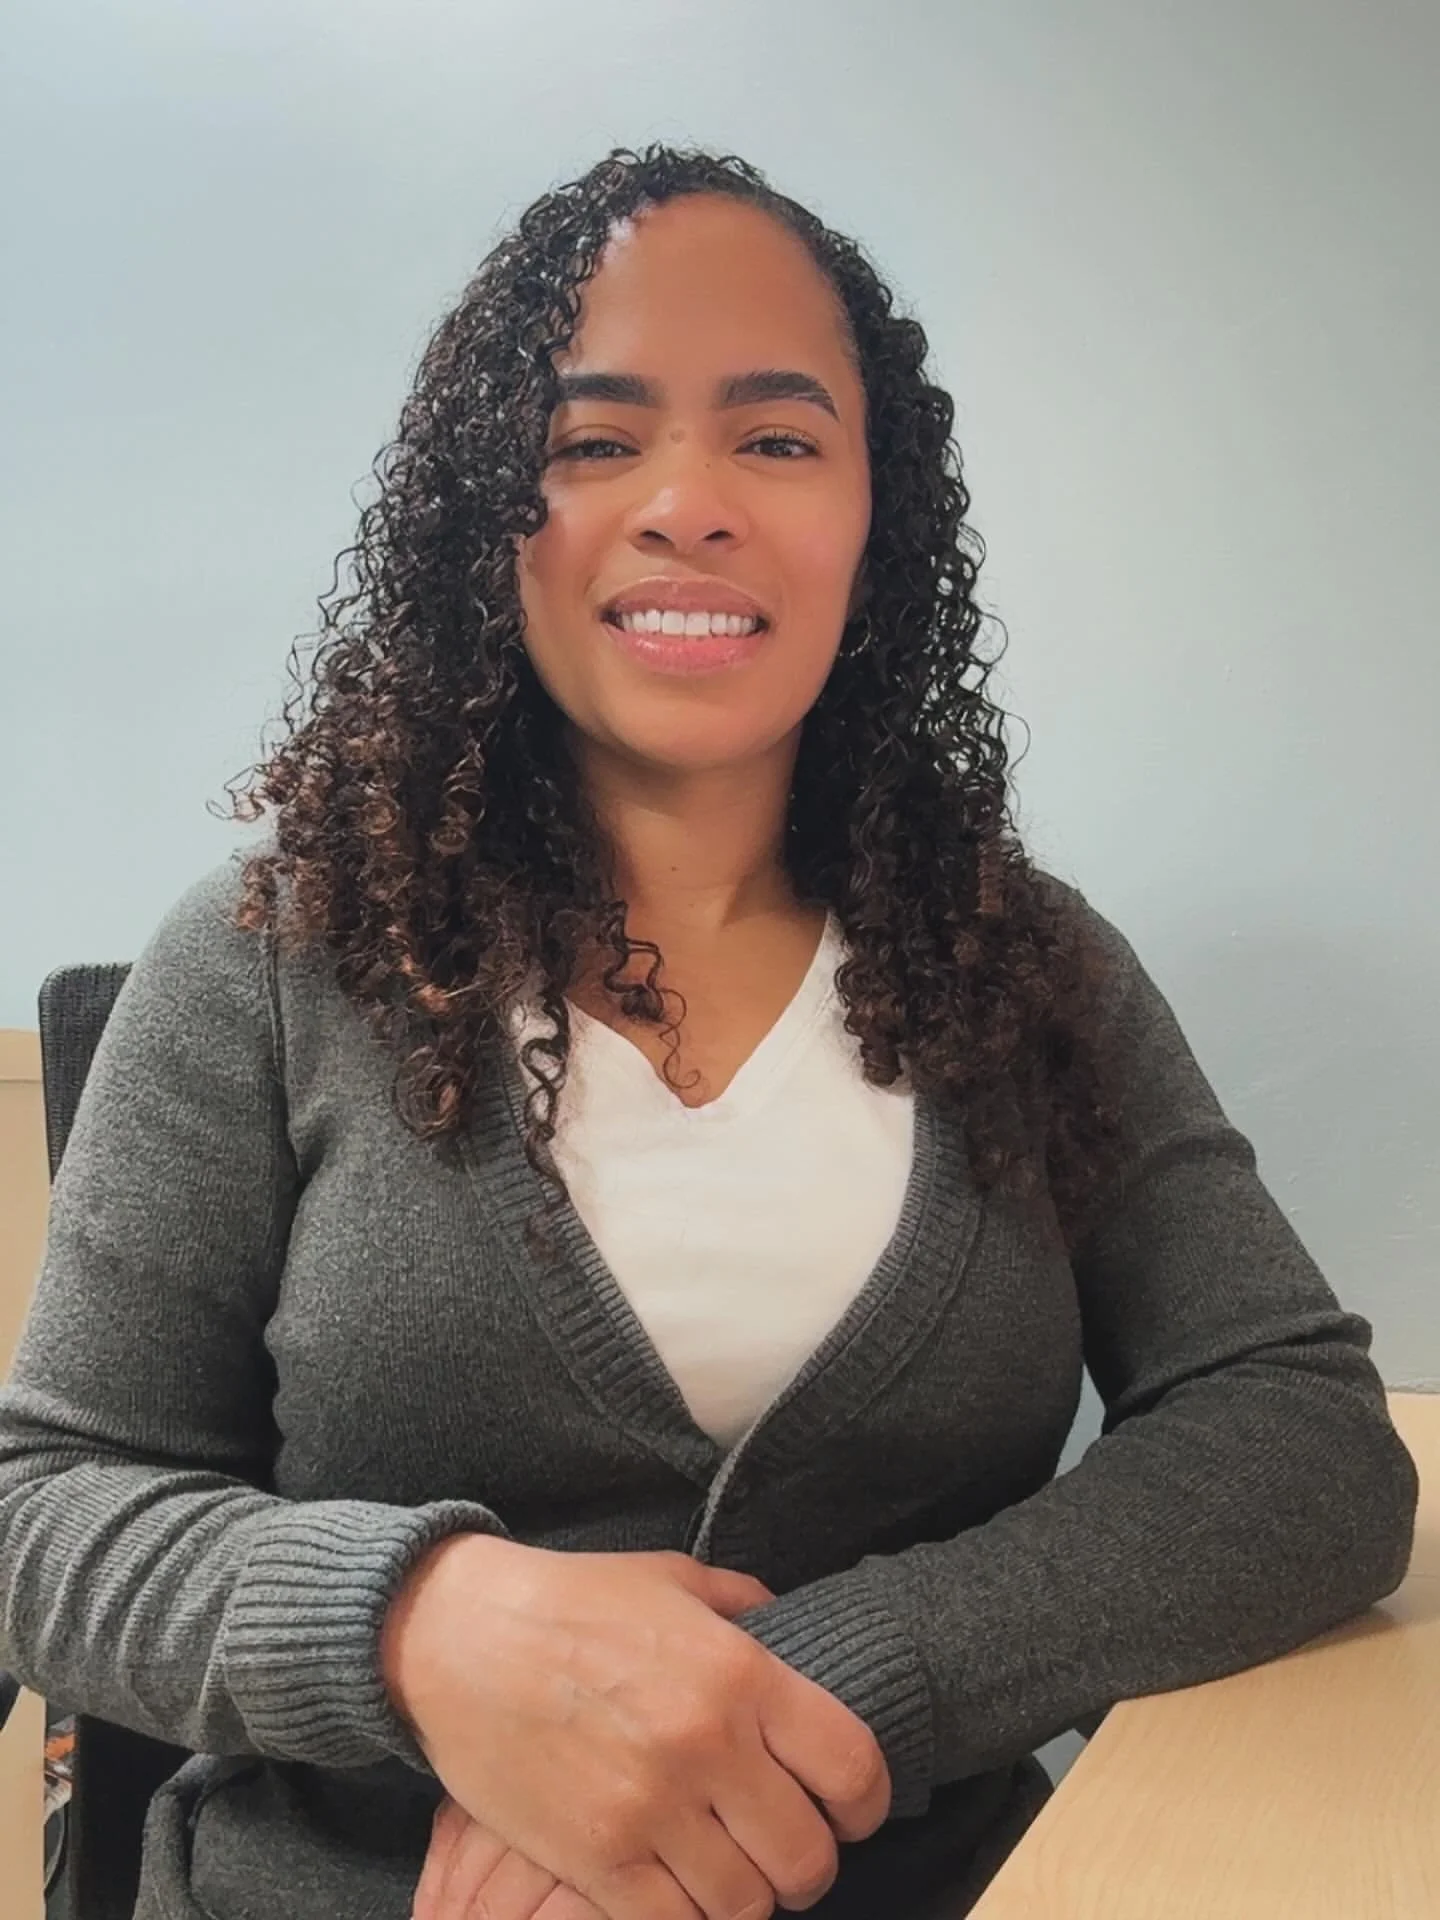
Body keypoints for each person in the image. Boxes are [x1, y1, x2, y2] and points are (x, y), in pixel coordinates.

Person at [0, 142, 1418, 1920]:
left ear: (874, 520)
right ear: (485, 518)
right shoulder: (272, 961)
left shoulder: (1020, 966)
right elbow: (42, 1508)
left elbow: (1302, 1439)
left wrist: (803, 1703)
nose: (689, 504)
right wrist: (426, 1630)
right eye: (596, 442)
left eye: (778, 438)